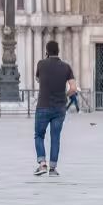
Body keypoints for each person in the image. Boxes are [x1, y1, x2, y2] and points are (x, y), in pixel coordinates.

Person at [34, 41, 76, 177]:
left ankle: (42, 164)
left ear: (47, 51)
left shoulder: (41, 64)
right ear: (58, 51)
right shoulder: (66, 67)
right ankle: (52, 169)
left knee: (39, 135)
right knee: (55, 138)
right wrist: (65, 96)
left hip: (43, 105)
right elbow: (73, 88)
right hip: (59, 107)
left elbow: (38, 80)